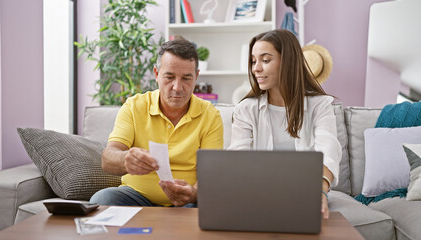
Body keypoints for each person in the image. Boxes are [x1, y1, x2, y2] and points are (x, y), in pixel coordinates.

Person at [90, 39, 224, 207]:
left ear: (196, 76)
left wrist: (193, 194)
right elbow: (108, 159)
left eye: (186, 78)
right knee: (103, 199)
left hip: (187, 202)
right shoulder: (134, 106)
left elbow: (211, 173)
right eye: (169, 77)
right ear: (156, 74)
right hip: (135, 197)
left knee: (209, 205)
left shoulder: (210, 115)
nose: (177, 87)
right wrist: (126, 159)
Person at [229, 29, 342, 219]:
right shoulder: (245, 109)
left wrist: (320, 192)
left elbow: (328, 150)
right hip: (257, 192)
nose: (256, 68)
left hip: (305, 190)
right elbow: (237, 160)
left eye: (265, 60)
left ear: (288, 62)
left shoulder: (320, 105)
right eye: (253, 61)